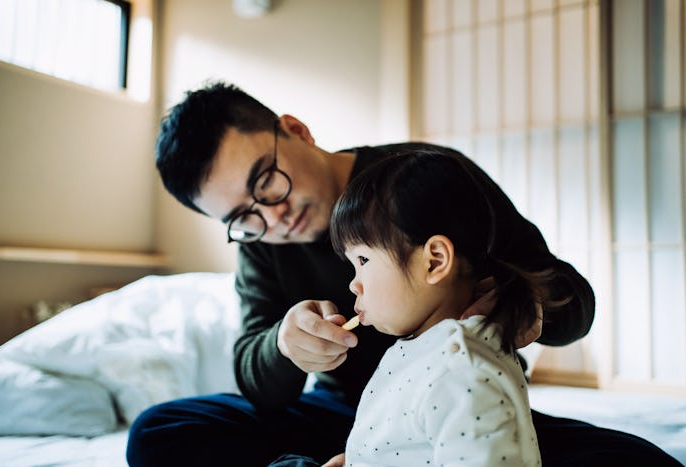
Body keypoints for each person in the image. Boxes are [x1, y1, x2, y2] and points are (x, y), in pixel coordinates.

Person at [126, 81, 679, 466]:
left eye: (266, 182)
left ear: (295, 129)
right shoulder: (263, 243)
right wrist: (285, 345)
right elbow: (255, 376)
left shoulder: (421, 182)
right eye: (241, 217)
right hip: (346, 415)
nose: (272, 216)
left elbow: (570, 302)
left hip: (454, 410)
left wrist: (519, 302)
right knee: (159, 434)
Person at [329, 150, 544, 466]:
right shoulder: (430, 350)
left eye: (363, 261)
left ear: (435, 261)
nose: (354, 284)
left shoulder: (460, 372)